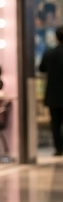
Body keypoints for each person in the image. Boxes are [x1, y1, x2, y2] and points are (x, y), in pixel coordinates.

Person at [39, 26, 63, 156]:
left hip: (53, 93)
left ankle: (58, 148)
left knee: (55, 122)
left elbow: (41, 68)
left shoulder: (49, 53)